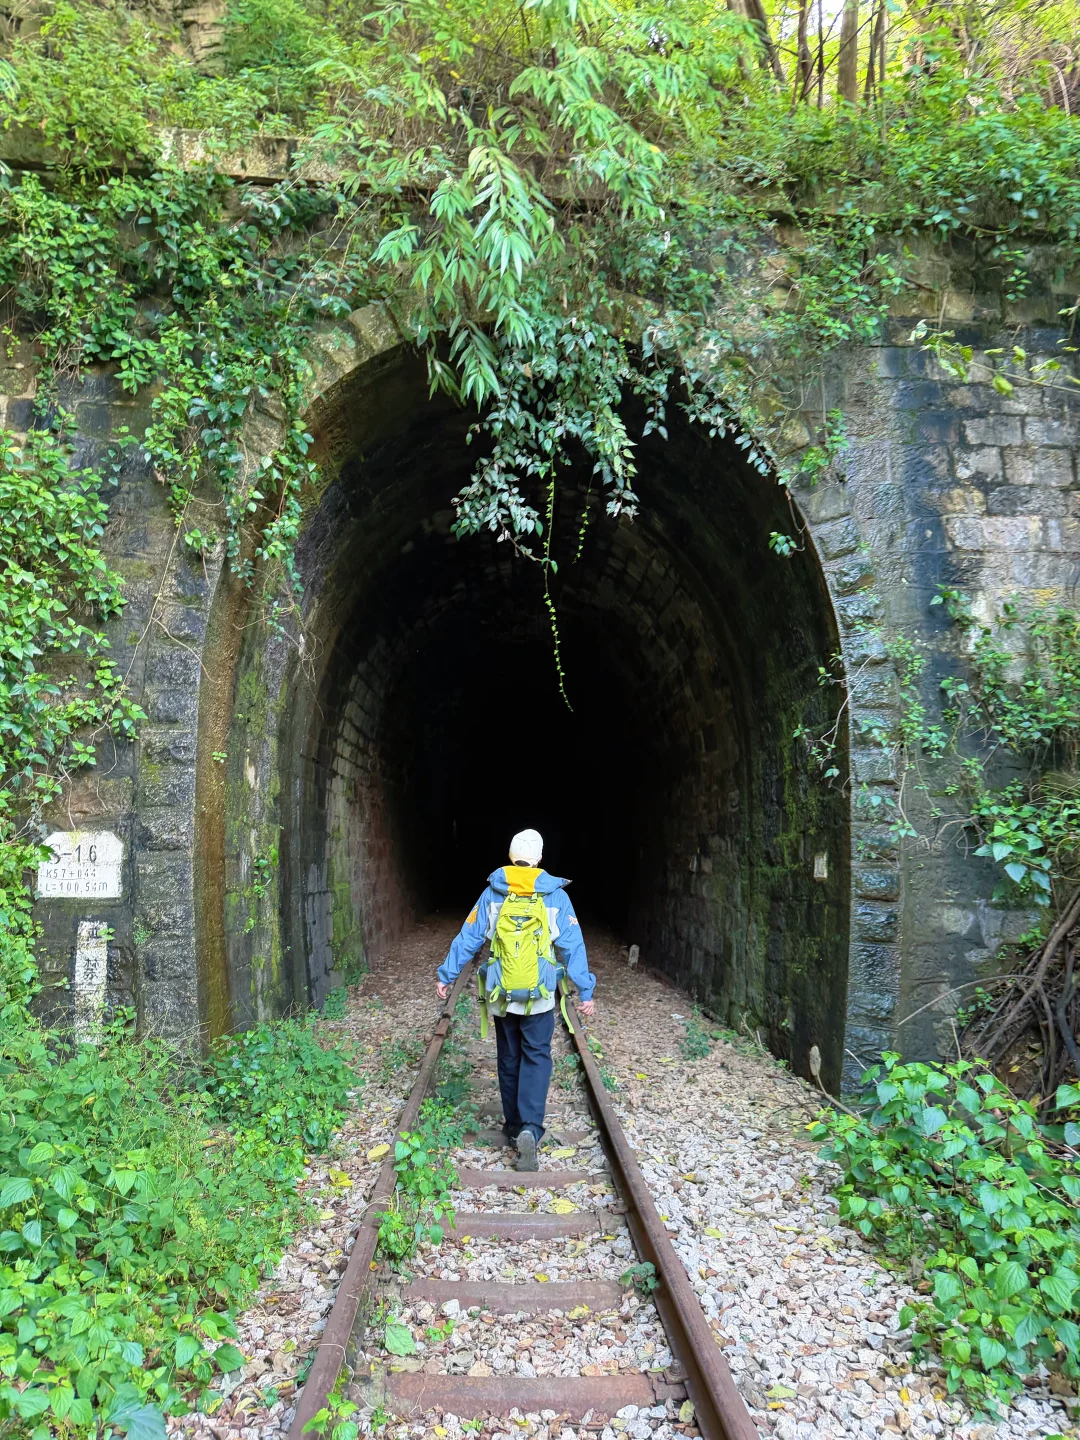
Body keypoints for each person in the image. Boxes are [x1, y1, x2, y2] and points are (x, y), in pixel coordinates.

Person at [435, 828, 596, 1171]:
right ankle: (531, 1129)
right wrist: (585, 988)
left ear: (510, 857)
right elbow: (573, 946)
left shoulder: (493, 893)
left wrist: (447, 975)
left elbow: (469, 936)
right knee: (536, 1055)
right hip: (539, 995)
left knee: (509, 1055)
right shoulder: (554, 896)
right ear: (539, 858)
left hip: (501, 993)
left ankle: (512, 1128)